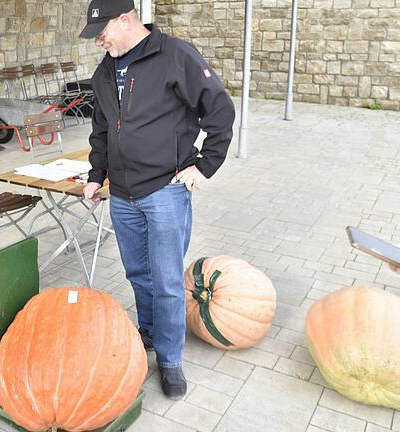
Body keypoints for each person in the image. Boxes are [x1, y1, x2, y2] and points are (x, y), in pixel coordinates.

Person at [79, 0, 236, 398]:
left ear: (126, 20)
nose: (98, 40)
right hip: (122, 194)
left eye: (102, 32)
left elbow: (219, 109)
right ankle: (148, 332)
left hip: (165, 190)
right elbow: (100, 130)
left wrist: (204, 166)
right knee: (137, 274)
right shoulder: (104, 71)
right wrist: (96, 176)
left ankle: (170, 361)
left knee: (166, 281)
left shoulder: (175, 55)